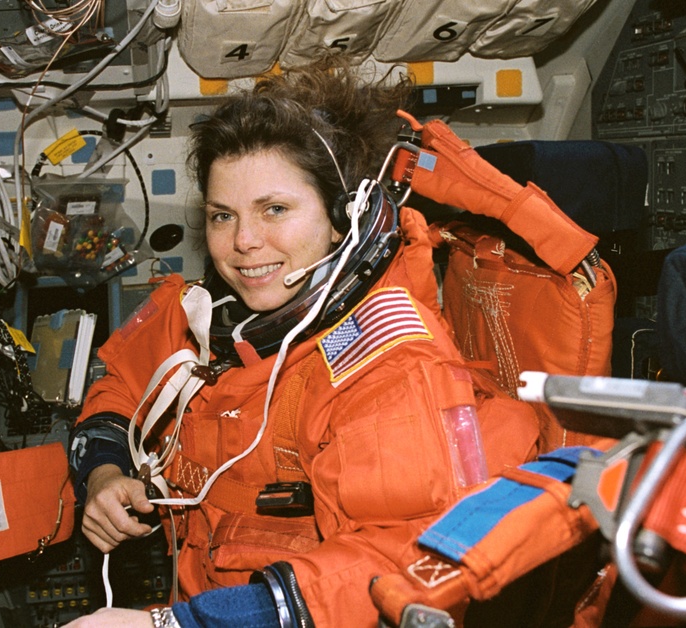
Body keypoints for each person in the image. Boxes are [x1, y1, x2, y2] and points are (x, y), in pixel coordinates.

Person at [65, 60, 540, 627]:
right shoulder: (204, 316)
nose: (243, 242)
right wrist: (104, 474)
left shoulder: (390, 364)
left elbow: (398, 564)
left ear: (344, 218)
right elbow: (117, 389)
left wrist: (176, 625)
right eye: (223, 216)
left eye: (275, 210)